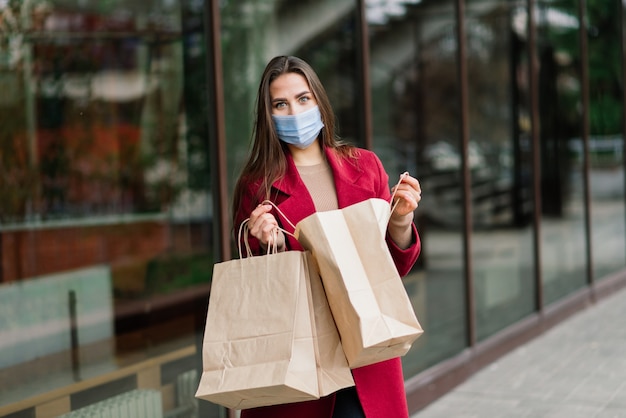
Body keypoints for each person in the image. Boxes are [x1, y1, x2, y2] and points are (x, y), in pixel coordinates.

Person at [232, 55, 422, 418]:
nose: (295, 112)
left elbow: (390, 269)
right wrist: (269, 245)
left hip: (367, 352)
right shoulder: (258, 186)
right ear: (268, 116)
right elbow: (257, 286)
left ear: (319, 101)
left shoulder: (365, 167)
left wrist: (400, 220)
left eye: (303, 99)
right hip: (300, 358)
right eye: (280, 104)